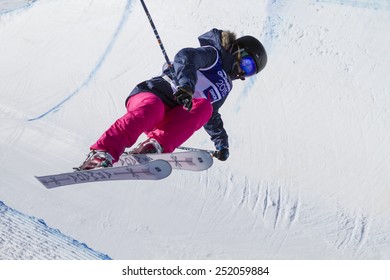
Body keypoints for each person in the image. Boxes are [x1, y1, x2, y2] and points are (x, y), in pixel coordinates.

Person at [78, 28, 267, 170]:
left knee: (205, 108)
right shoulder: (214, 55)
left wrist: (221, 142)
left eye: (250, 72)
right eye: (247, 63)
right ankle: (102, 153)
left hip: (173, 117)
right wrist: (186, 85)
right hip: (156, 92)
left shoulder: (226, 86)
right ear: (238, 51)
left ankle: (154, 146)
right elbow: (186, 57)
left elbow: (210, 115)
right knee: (153, 108)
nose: (243, 72)